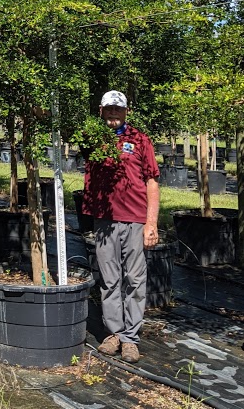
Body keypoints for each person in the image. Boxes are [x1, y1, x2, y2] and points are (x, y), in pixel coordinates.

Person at [82, 90, 160, 364]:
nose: (114, 113)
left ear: (126, 112)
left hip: (136, 220)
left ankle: (130, 339)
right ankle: (113, 333)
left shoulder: (140, 140)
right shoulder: (92, 140)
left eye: (119, 109)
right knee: (109, 279)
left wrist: (151, 223)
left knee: (135, 280)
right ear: (101, 110)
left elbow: (152, 181)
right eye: (109, 109)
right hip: (104, 221)